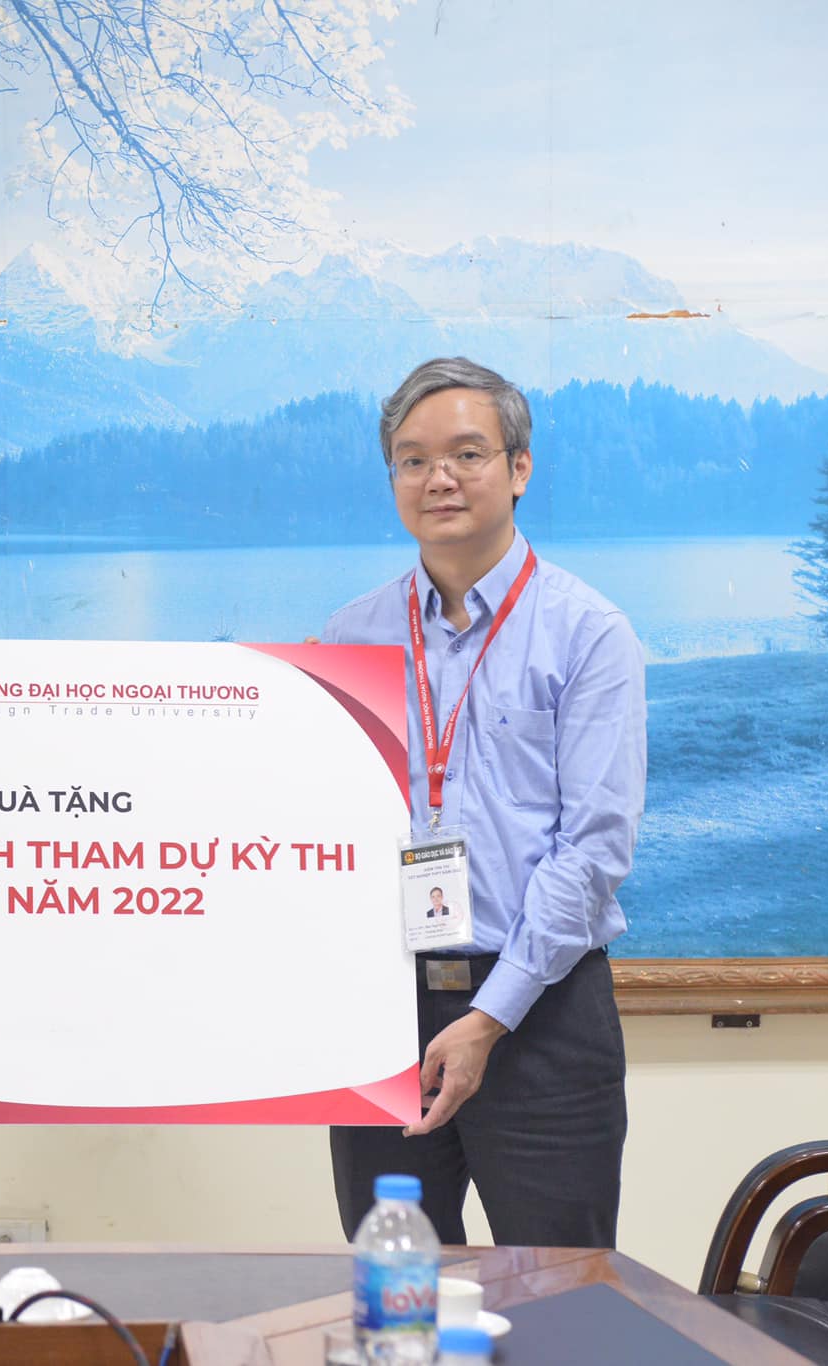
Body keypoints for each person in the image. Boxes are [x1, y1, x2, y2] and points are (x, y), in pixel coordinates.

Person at [322, 356, 646, 1249]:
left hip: (541, 1015)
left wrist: (489, 1017)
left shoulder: (588, 633)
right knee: (398, 1286)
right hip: (386, 1013)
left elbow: (593, 852)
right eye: (412, 460)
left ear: (519, 467)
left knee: (560, 1299)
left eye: (467, 454)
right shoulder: (352, 635)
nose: (439, 479)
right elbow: (321, 826)